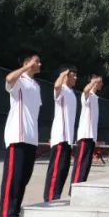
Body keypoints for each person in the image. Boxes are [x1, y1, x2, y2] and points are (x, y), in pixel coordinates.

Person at [0, 51, 42, 217]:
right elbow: (8, 79)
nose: (39, 65)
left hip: (31, 137)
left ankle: (15, 211)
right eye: (36, 62)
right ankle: (5, 214)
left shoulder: (36, 86)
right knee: (13, 176)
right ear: (27, 62)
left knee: (24, 177)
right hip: (17, 134)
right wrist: (24, 68)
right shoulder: (19, 81)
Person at [44, 67, 78, 201]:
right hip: (60, 137)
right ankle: (50, 197)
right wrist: (63, 73)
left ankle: (56, 195)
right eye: (73, 75)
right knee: (55, 169)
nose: (76, 78)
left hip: (68, 139)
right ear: (66, 76)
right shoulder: (61, 90)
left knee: (63, 170)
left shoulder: (71, 92)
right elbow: (56, 85)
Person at [71, 75, 104, 189]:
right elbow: (85, 90)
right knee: (80, 164)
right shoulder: (87, 96)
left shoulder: (95, 97)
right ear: (94, 82)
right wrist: (93, 81)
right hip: (84, 136)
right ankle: (74, 188)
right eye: (100, 82)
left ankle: (81, 187)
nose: (101, 84)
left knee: (86, 165)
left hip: (91, 138)